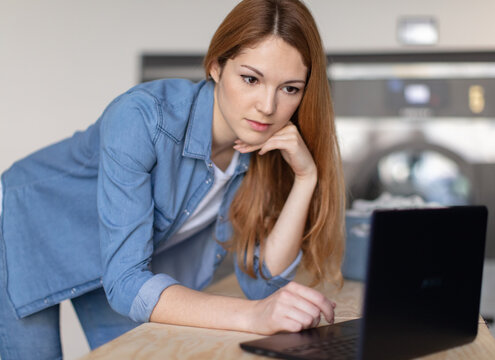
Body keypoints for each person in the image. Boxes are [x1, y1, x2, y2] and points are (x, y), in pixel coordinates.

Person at [0, 0, 345, 358]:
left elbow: (262, 283)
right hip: (31, 225)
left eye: (289, 88)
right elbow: (127, 283)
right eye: (250, 79)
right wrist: (254, 316)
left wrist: (306, 177)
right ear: (215, 67)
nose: (268, 107)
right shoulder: (142, 118)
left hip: (120, 259)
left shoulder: (263, 146)